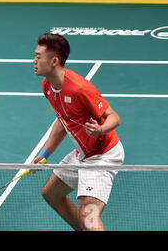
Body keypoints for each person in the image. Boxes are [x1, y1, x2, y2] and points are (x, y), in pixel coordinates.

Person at [32, 33, 124, 231]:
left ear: (54, 60)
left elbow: (114, 118)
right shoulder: (48, 85)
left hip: (102, 155)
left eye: (39, 56)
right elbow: (62, 121)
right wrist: (44, 154)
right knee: (51, 194)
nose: (34, 61)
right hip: (83, 154)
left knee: (88, 216)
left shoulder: (80, 89)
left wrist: (99, 129)